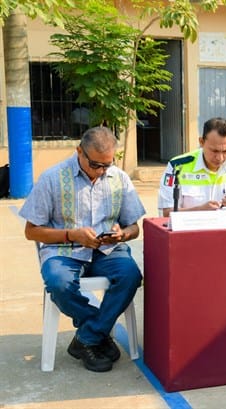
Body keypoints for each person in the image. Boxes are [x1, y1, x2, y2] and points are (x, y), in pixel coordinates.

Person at [19, 127, 145, 372]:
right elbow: (31, 231)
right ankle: (98, 332)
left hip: (107, 250)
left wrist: (122, 234)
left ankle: (87, 338)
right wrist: (71, 234)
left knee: (131, 276)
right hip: (64, 249)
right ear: (79, 152)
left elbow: (134, 227)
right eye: (96, 165)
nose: (102, 171)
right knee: (59, 283)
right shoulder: (52, 178)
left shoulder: (119, 178)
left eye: (107, 165)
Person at [158, 117, 226, 218]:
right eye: (215, 151)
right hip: (192, 232)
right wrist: (199, 211)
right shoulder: (177, 166)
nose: (220, 158)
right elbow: (167, 212)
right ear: (201, 142)